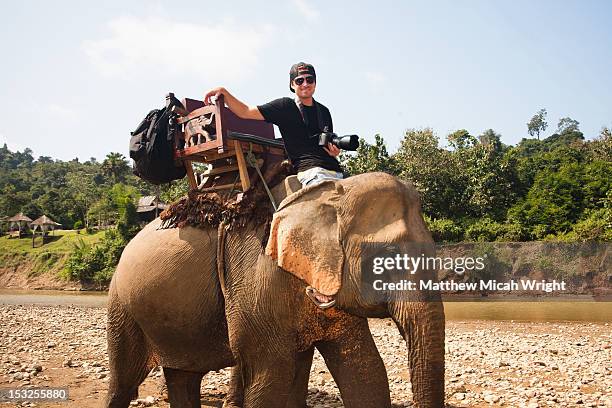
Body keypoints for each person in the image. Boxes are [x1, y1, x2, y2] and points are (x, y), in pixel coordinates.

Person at [204, 62, 344, 187]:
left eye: (309, 79)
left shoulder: (324, 111)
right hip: (312, 172)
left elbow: (327, 146)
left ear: (315, 82)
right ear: (292, 85)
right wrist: (224, 92)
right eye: (299, 81)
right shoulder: (284, 106)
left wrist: (334, 152)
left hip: (336, 170)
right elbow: (245, 112)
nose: (305, 84)